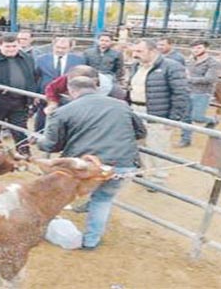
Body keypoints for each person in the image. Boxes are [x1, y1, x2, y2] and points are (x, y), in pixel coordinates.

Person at [35, 76, 145, 249]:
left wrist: (38, 140)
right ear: (96, 87)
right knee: (103, 199)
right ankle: (91, 240)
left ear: (71, 90)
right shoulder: (121, 105)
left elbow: (51, 145)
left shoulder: (63, 111)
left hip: (83, 166)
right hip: (122, 163)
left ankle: (39, 226)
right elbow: (140, 132)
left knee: (55, 192)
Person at [129, 39, 189, 187]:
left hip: (157, 113)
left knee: (157, 146)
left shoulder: (171, 67)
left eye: (139, 51)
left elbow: (181, 93)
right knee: (139, 144)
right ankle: (143, 172)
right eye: (134, 51)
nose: (135, 55)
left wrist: (173, 119)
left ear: (153, 51)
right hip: (136, 111)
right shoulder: (136, 66)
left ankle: (158, 179)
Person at [178, 40, 221, 147]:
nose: (195, 50)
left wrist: (189, 79)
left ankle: (213, 120)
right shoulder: (189, 61)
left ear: (206, 49)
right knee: (185, 117)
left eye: (199, 48)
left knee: (196, 117)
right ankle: (185, 139)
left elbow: (210, 79)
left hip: (202, 93)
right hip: (188, 91)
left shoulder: (213, 63)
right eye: (193, 48)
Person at [34, 36, 85, 131]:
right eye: (57, 47)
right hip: (45, 95)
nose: (60, 50)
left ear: (70, 48)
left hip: (68, 95)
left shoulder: (79, 60)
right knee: (42, 117)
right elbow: (36, 77)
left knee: (64, 120)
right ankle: (38, 136)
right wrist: (35, 94)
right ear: (53, 46)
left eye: (64, 48)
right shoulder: (41, 59)